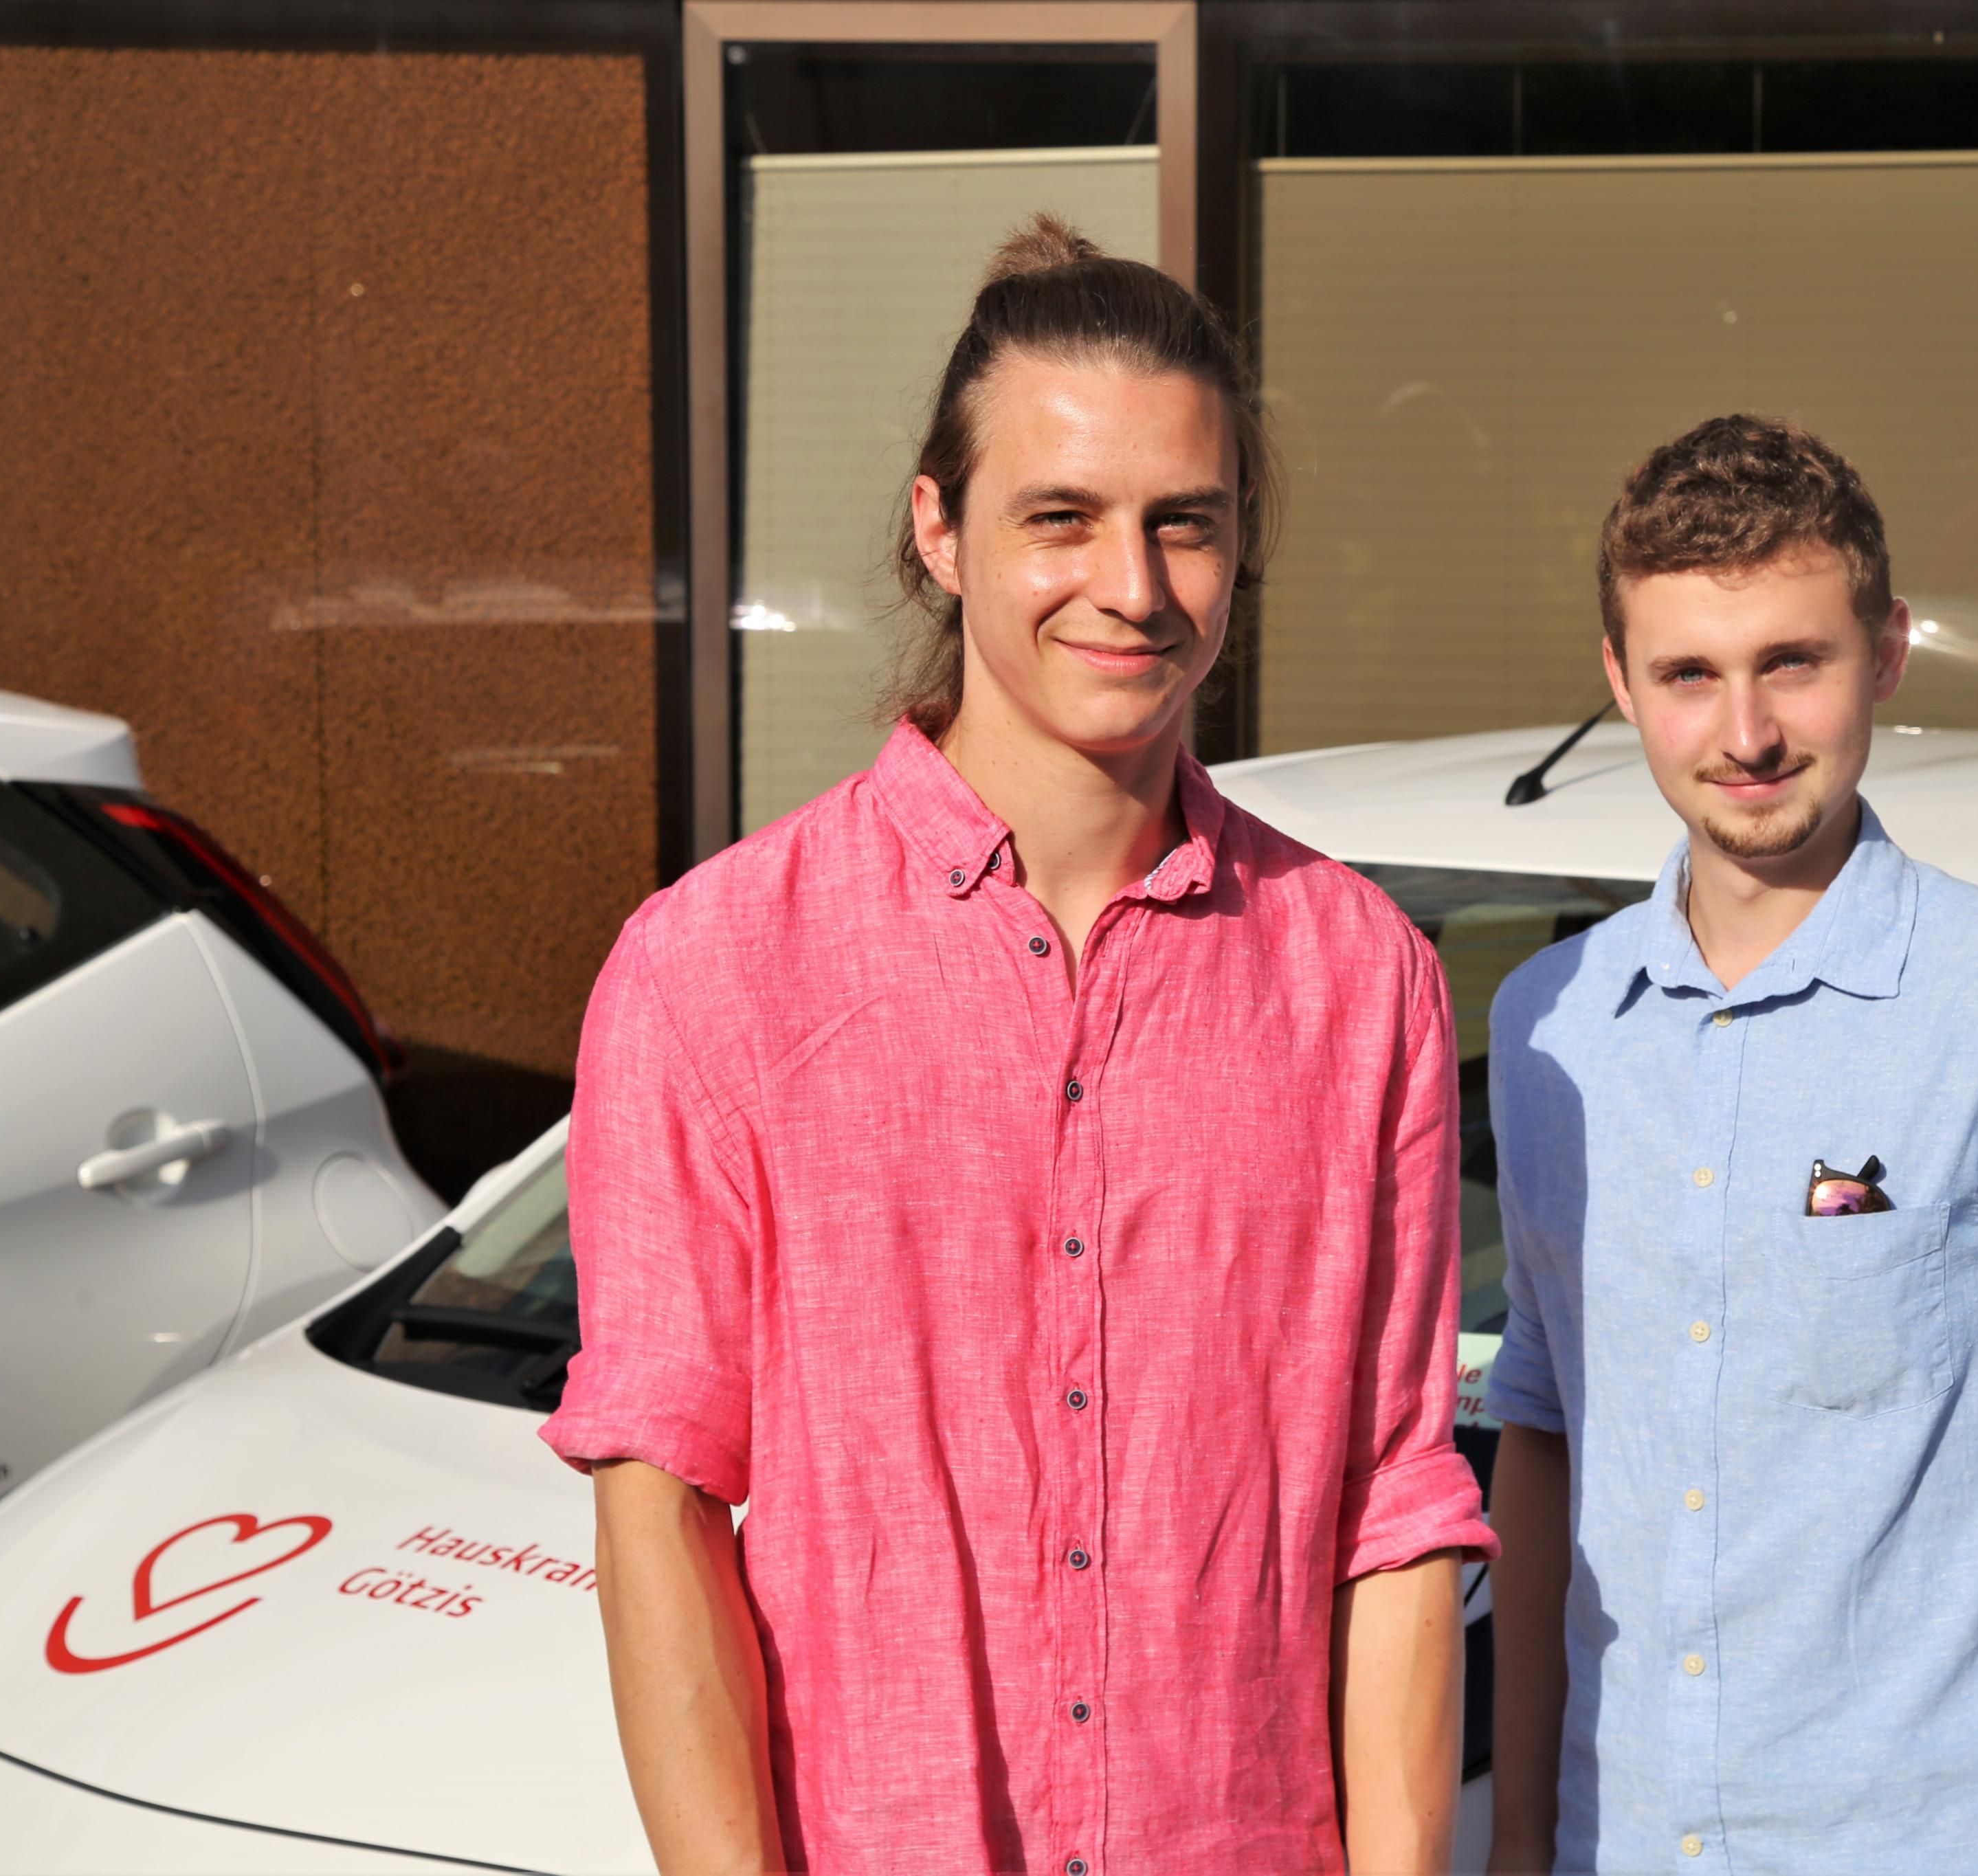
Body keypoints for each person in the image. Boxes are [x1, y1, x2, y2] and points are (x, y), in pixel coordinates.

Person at [541, 218, 1492, 1875]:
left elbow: (1395, 1504)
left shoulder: (1360, 982)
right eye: (1061, 517)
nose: (1131, 587)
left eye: (1183, 522)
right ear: (940, 530)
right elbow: (659, 1494)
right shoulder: (713, 969)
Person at [1481, 415, 1978, 1875]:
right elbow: (1543, 1438)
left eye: (1793, 662)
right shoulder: (1552, 1026)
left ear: (1887, 653)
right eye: (1688, 675)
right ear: (1619, 681)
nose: (1744, 734)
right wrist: (1521, 1842)